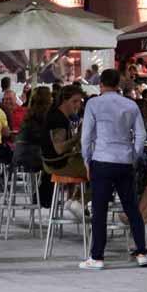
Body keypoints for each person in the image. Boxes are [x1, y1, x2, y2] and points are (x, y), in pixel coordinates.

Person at [79, 68, 147, 270]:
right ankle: (142, 252)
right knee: (132, 208)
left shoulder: (93, 104)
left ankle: (97, 257)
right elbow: (141, 135)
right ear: (118, 84)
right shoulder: (130, 105)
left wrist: (86, 159)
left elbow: (86, 136)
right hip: (125, 161)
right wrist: (134, 155)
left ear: (101, 84)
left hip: (101, 159)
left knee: (99, 210)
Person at [42, 86, 88, 218]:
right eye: (74, 101)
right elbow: (59, 148)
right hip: (58, 164)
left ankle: (75, 199)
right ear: (64, 101)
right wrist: (77, 137)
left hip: (52, 162)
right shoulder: (58, 119)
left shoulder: (57, 115)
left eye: (80, 102)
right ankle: (79, 201)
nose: (78, 105)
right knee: (99, 171)